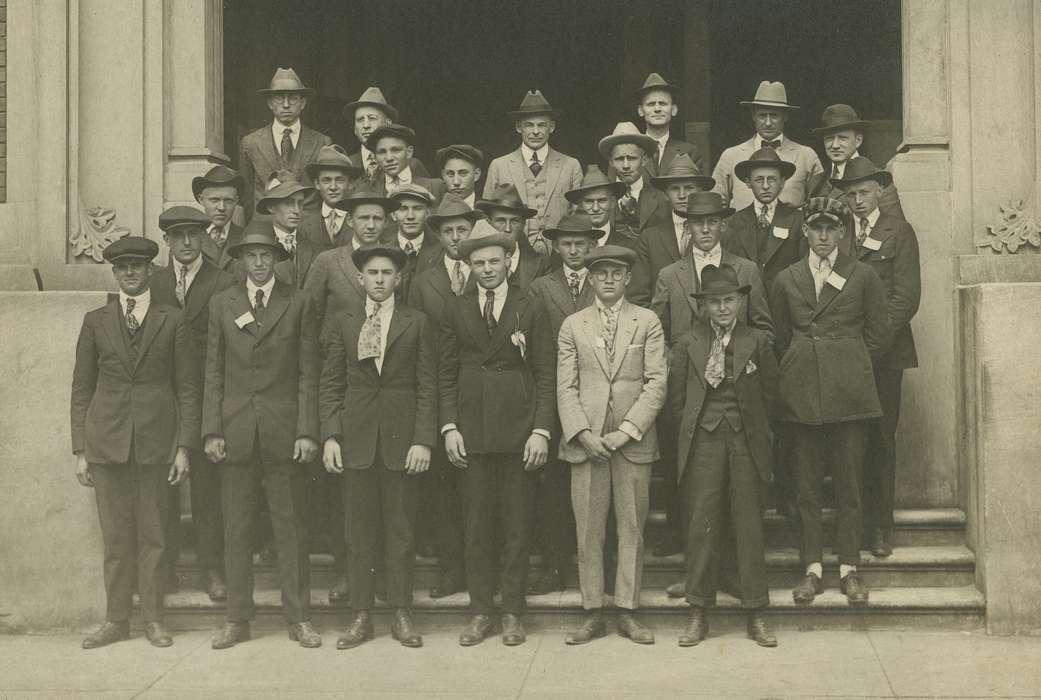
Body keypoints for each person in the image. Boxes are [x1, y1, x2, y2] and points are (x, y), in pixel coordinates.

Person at [71, 236, 198, 649]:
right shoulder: (96, 321)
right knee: (116, 537)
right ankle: (116, 620)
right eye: (122, 266)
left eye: (137, 266)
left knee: (155, 534)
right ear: (114, 272)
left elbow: (187, 389)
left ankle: (154, 620)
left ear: (149, 271)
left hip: (156, 443)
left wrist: (182, 447)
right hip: (106, 442)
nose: (130, 272)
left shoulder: (172, 319)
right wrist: (80, 451)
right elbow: (81, 389)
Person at [203, 222, 322, 649]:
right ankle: (237, 618)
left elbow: (310, 371)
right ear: (239, 260)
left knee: (290, 528)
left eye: (265, 255)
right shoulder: (222, 304)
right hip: (235, 431)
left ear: (277, 259)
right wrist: (212, 429)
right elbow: (213, 372)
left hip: (283, 431)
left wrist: (308, 430)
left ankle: (299, 617)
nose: (258, 262)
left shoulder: (299, 302)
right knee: (236, 528)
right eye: (250, 255)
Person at [439, 220, 556, 646]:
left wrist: (541, 430)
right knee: (475, 524)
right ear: (468, 266)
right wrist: (449, 426)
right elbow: (446, 372)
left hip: (518, 428)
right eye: (478, 262)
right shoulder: (456, 308)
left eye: (494, 260)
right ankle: (480, 610)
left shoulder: (531, 306)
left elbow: (546, 373)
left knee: (516, 524)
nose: (487, 269)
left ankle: (511, 611)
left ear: (510, 261)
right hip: (471, 430)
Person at [769, 197, 892, 607]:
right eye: (816, 228)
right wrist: (803, 364)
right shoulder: (787, 278)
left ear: (843, 231)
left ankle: (850, 568)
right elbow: (781, 337)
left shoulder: (863, 275)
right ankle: (812, 569)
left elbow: (878, 333)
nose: (823, 236)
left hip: (848, 393)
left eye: (831, 228)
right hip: (802, 392)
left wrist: (848, 362)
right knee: (805, 488)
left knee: (849, 485)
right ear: (805, 231)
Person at [320, 245, 437, 649]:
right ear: (361, 279)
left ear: (399, 278)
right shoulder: (342, 322)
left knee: (401, 530)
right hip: (356, 439)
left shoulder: (417, 323)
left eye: (388, 273)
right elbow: (331, 382)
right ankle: (361, 614)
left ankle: (402, 612)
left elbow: (428, 387)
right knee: (358, 531)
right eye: (373, 273)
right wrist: (331, 435)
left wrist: (423, 439)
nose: (380, 280)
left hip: (402, 441)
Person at [649, 191, 772, 564]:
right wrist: (678, 362)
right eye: (697, 223)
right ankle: (693, 563)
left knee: (738, 488)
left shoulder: (746, 270)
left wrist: (745, 355)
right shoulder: (670, 275)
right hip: (688, 393)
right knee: (691, 481)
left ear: (722, 225)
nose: (705, 229)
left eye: (712, 222)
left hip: (736, 396)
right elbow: (657, 331)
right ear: (687, 228)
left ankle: (733, 568)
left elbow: (765, 328)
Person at [556, 244, 666, 645]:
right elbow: (565, 386)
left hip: (632, 440)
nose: (607, 279)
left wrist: (627, 430)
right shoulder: (573, 325)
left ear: (628, 279)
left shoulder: (647, 321)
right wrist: (583, 433)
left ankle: (627, 609)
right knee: (588, 528)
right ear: (590, 277)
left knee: (632, 526)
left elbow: (656, 382)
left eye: (615, 273)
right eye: (600, 272)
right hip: (587, 442)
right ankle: (591, 611)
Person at [668, 263, 778, 648]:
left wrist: (757, 436)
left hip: (745, 441)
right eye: (714, 302)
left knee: (748, 522)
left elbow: (770, 396)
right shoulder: (687, 343)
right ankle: (698, 611)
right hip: (705, 442)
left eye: (729, 300)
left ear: (740, 301)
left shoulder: (757, 342)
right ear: (704, 306)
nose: (722, 308)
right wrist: (696, 433)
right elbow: (677, 402)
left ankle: (756, 611)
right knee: (702, 522)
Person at [831, 157, 921, 557]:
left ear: (879, 191)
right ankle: (852, 527)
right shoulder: (838, 234)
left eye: (864, 191)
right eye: (850, 194)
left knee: (881, 438)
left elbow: (906, 298)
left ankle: (881, 527)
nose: (857, 200)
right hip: (848, 355)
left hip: (885, 356)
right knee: (850, 441)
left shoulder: (898, 232)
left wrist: (871, 345)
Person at [152, 207, 236, 603]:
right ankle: (165, 568)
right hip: (161, 400)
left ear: (204, 237)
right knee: (161, 486)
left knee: (207, 489)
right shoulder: (154, 282)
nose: (187, 243)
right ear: (167, 240)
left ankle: (211, 568)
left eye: (193, 235)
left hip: (205, 397)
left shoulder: (223, 281)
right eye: (179, 235)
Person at [406, 197, 482, 599]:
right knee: (444, 489)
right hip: (438, 391)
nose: (455, 238)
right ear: (439, 235)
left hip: (479, 394)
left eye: (462, 231)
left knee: (479, 488)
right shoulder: (423, 282)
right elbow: (417, 344)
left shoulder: (489, 273)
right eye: (448, 231)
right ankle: (453, 569)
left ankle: (482, 568)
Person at [526, 212, 602, 595]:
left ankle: (601, 569)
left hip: (597, 396)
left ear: (593, 246)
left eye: (581, 244)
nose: (574, 251)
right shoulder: (540, 288)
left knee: (598, 483)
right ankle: (556, 566)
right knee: (554, 487)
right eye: (567, 244)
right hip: (556, 396)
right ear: (556, 247)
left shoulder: (605, 283)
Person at [483, 90, 583, 254]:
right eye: (529, 125)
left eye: (541, 125)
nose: (535, 131)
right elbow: (487, 218)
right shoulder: (499, 166)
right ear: (518, 127)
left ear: (551, 127)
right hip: (513, 255)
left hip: (559, 255)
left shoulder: (571, 166)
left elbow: (578, 216)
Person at [305, 185, 401, 346]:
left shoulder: (396, 261)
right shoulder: (327, 261)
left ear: (385, 222)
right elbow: (309, 317)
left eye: (377, 219)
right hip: (335, 356)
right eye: (363, 218)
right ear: (350, 220)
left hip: (384, 357)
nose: (370, 226)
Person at [712, 81, 823, 211]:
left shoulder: (806, 156)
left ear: (785, 116)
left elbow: (819, 205)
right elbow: (715, 203)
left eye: (774, 115)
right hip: (742, 230)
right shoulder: (731, 156)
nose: (768, 122)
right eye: (762, 115)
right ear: (753, 116)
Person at [238, 68, 331, 220]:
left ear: (303, 103)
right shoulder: (251, 143)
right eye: (279, 98)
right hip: (264, 230)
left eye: (293, 98)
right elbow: (246, 197)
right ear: (269, 103)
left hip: (308, 231)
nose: (286, 104)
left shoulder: (322, 142)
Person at [628, 153, 715, 307]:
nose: (682, 195)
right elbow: (638, 297)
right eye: (675, 189)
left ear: (700, 191)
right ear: (666, 194)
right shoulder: (649, 238)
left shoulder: (718, 234)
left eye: (689, 188)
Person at [722, 147, 806, 290]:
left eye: (772, 179)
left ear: (782, 182)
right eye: (759, 180)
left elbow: (803, 269)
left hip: (785, 301)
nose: (766, 186)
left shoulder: (798, 220)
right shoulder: (734, 222)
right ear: (748, 183)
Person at [808, 104, 904, 220]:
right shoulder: (815, 183)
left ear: (858, 140)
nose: (835, 145)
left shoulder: (880, 180)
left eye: (842, 138)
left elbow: (893, 229)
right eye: (829, 138)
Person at [598, 121, 671, 240]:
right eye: (619, 159)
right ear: (611, 162)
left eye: (632, 158)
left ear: (645, 160)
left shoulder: (663, 200)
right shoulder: (598, 200)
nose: (626, 165)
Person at [343, 86, 430, 185]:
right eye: (360, 120)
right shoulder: (347, 165)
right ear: (354, 129)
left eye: (372, 118)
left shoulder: (412, 164)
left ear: (388, 124)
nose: (366, 125)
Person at [474, 183, 554, 289]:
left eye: (514, 221)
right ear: (489, 222)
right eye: (501, 221)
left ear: (523, 224)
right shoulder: (475, 260)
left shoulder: (542, 264)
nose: (508, 229)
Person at [254, 171, 319, 288]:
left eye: (300, 203)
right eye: (288, 203)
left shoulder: (314, 248)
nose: (296, 210)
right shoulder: (257, 250)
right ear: (271, 207)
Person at [634, 72, 704, 176]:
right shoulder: (630, 152)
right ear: (640, 110)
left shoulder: (690, 152)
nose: (657, 109)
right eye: (651, 104)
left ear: (674, 110)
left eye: (663, 103)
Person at [300, 144, 364, 251]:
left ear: (350, 183)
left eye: (339, 180)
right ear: (317, 184)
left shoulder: (361, 223)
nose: (333, 187)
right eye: (326, 180)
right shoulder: (304, 227)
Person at [391, 183, 443, 303]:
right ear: (393, 215)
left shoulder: (441, 251)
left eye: (417, 208)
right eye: (403, 209)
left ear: (428, 213)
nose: (410, 216)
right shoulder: (383, 250)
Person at [366, 124, 445, 200]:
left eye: (396, 150)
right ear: (375, 157)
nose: (389, 158)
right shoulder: (369, 192)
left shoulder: (435, 187)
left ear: (409, 152)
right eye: (382, 152)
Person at [564, 165, 635, 248]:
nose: (595, 208)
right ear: (580, 204)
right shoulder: (567, 247)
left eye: (601, 200)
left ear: (612, 202)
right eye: (589, 201)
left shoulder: (628, 246)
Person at [193, 165, 245, 272]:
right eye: (214, 200)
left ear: (236, 201)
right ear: (201, 199)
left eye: (228, 200)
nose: (222, 208)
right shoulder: (189, 240)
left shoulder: (246, 238)